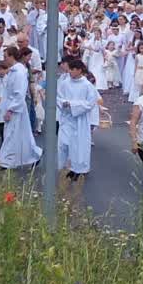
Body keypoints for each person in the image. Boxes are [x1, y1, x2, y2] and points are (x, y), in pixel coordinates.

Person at [56, 57, 99, 188]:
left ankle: (78, 169)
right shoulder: (65, 83)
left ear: (80, 70)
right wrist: (64, 104)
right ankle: (65, 167)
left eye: (73, 69)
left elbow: (90, 103)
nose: (70, 72)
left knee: (78, 146)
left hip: (80, 119)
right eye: (69, 69)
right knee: (64, 143)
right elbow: (58, 97)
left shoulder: (87, 85)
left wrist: (73, 105)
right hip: (67, 118)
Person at [0, 48, 42, 171]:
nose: (4, 59)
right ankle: (34, 154)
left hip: (15, 108)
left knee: (11, 134)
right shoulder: (14, 71)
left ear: (12, 56)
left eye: (6, 56)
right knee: (22, 134)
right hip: (12, 106)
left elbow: (19, 93)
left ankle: (6, 161)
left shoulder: (19, 72)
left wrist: (11, 109)